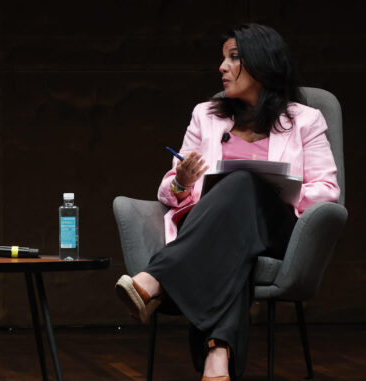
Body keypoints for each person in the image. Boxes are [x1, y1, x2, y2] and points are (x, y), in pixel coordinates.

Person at [114, 24, 340, 381]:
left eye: (233, 58)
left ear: (262, 64)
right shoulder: (206, 114)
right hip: (213, 228)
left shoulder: (305, 121)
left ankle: (158, 279)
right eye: (223, 58)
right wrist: (183, 182)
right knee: (235, 246)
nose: (222, 67)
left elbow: (328, 189)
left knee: (243, 184)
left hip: (276, 226)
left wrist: (277, 188)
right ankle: (217, 357)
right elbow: (169, 190)